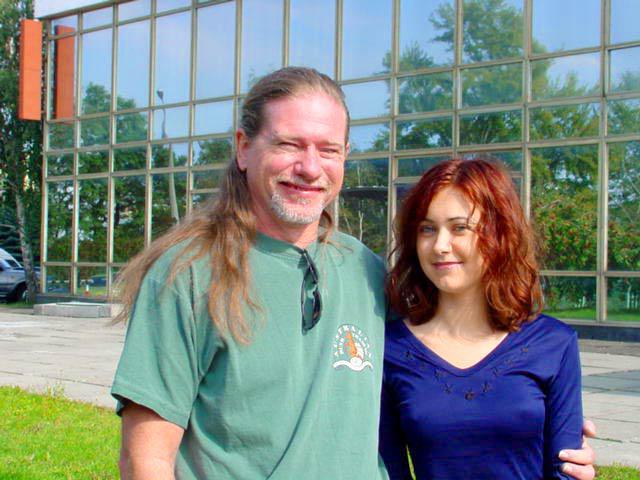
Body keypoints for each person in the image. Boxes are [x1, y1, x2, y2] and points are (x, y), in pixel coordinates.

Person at [111, 67, 596, 479]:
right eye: (289, 144)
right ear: (243, 148)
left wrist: (541, 423)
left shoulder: (365, 270)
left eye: (328, 149)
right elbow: (145, 458)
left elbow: (439, 377)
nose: (310, 168)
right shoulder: (188, 274)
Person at [380, 157, 588, 479]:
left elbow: (567, 468)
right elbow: (388, 469)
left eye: (460, 228)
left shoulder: (554, 343)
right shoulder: (389, 348)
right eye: (427, 229)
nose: (440, 245)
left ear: (500, 233)